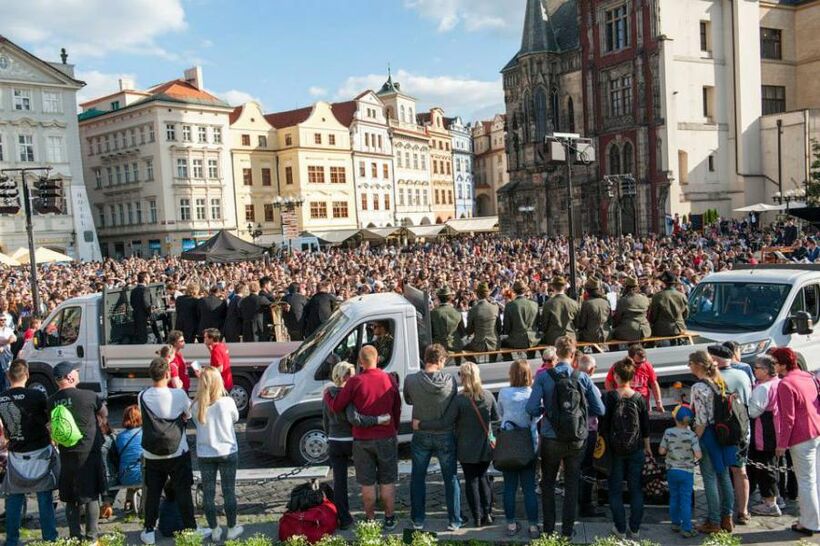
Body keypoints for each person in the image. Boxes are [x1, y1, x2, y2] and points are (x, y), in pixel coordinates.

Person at [526, 336, 605, 538]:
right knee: (571, 484)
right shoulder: (582, 377)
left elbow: (531, 408)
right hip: (577, 438)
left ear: (557, 353)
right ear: (573, 354)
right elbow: (600, 409)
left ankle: (549, 530)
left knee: (548, 484)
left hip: (551, 437)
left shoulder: (544, 377)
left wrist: (548, 411)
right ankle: (567, 531)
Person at [324, 346, 401, 530]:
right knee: (387, 480)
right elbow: (397, 407)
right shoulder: (389, 379)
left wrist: (327, 396)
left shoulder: (355, 382)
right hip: (386, 436)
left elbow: (337, 406)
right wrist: (394, 428)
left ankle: (370, 519)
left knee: (367, 483)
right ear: (377, 359)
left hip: (362, 440)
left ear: (360, 362)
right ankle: (389, 518)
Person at [414, 362, 498, 529]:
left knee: (471, 480)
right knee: (483, 478)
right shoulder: (488, 396)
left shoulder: (460, 400)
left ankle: (477, 517)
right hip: (485, 447)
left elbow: (445, 422)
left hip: (466, 448)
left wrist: (421, 424)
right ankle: (487, 513)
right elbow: (495, 418)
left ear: (463, 378)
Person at [139, 357, 202, 545]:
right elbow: (189, 415)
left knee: (153, 492)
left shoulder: (142, 395)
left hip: (152, 453)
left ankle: (149, 529)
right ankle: (191, 527)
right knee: (183, 490)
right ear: (167, 374)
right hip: (177, 450)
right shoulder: (179, 395)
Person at [0, 359, 58, 546]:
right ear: (27, 375)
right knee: (44, 496)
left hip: (16, 452)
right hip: (40, 450)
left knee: (14, 498)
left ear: (9, 377)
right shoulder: (37, 396)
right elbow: (50, 421)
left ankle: (12, 540)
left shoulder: (1, 398)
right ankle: (49, 538)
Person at [404, 344, 461, 531]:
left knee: (418, 477)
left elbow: (409, 399)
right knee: (450, 478)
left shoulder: (411, 380)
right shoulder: (451, 381)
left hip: (421, 434)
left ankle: (418, 519)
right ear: (441, 360)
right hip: (445, 434)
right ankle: (454, 520)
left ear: (425, 358)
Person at [50, 360, 107, 543]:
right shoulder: (89, 396)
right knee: (90, 496)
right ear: (69, 377)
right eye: (75, 371)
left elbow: (50, 426)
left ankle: (74, 536)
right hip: (89, 452)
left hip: (66, 453)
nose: (77, 373)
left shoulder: (51, 401)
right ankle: (91, 538)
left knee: (70, 498)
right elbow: (104, 413)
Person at [599, 357, 652, 539]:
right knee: (636, 488)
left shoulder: (610, 396)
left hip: (614, 449)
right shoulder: (639, 398)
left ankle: (620, 529)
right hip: (635, 447)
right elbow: (645, 426)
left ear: (616, 375)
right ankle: (635, 529)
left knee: (615, 489)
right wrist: (646, 446)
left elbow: (604, 425)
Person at [191, 367, 243, 541]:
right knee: (229, 491)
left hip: (205, 453)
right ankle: (232, 527)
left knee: (208, 494)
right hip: (227, 450)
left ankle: (214, 529)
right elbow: (235, 418)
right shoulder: (227, 402)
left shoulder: (196, 405)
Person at [772, 347, 820, 536]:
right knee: (816, 478)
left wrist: (781, 444)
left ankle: (810, 523)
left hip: (801, 437)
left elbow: (788, 418)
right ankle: (814, 519)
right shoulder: (808, 376)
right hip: (816, 430)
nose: (773, 366)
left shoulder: (785, 384)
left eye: (774, 363)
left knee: (806, 481)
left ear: (783, 365)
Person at [688, 350, 735, 534]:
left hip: (708, 435)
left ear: (698, 364)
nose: (689, 366)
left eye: (690, 363)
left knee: (708, 478)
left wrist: (694, 441)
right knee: (724, 476)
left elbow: (701, 419)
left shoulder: (698, 388)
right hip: (723, 433)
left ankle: (713, 521)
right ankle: (727, 517)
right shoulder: (720, 381)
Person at [709, 344, 752, 525]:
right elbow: (748, 400)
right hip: (741, 430)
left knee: (720, 472)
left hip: (719, 431)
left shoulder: (712, 379)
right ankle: (743, 511)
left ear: (716, 360)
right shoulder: (742, 375)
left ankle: (722, 512)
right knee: (740, 470)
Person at [498, 359, 539, 538]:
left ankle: (511, 525)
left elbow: (501, 414)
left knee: (509, 487)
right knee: (529, 488)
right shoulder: (532, 393)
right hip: (527, 443)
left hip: (508, 444)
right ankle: (533, 526)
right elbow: (536, 421)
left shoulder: (503, 393)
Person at [658, 404, 701, 538]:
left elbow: (661, 451)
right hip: (687, 472)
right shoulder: (692, 435)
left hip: (672, 470)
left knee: (674, 497)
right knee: (686, 500)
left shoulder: (668, 432)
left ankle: (675, 523)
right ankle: (687, 527)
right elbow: (699, 455)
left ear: (675, 419)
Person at [747, 354, 782, 517]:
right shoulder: (777, 382)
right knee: (772, 465)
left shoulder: (762, 388)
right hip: (776, 430)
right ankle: (775, 497)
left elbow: (753, 412)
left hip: (763, 432)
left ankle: (770, 503)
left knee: (764, 467)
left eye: (757, 368)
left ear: (766, 370)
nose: (754, 370)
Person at [575, 354, 603, 518]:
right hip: (588, 431)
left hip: (571, 431)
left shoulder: (570, 381)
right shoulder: (592, 386)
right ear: (591, 370)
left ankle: (573, 502)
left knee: (574, 468)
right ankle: (585, 505)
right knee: (588, 469)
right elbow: (600, 410)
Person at [604, 345, 664, 412]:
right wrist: (615, 398)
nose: (640, 365)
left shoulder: (647, 366)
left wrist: (659, 403)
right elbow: (608, 383)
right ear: (630, 358)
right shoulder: (620, 367)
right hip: (624, 403)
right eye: (637, 363)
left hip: (643, 403)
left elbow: (654, 383)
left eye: (643, 362)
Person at [116, 404, 144, 513]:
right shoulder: (145, 433)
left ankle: (129, 501)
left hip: (125, 476)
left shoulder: (120, 436)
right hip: (143, 475)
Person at [539, 276, 579, 346]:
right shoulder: (573, 303)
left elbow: (544, 325)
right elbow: (577, 323)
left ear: (552, 287)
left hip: (553, 338)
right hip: (571, 336)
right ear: (564, 287)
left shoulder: (548, 303)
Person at [501, 280, 539, 353]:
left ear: (514, 291)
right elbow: (537, 323)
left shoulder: (509, 305)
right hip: (533, 339)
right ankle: (530, 357)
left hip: (516, 340)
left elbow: (507, 328)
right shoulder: (534, 304)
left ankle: (509, 360)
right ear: (525, 291)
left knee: (501, 345)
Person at [648, 271, 688, 339]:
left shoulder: (658, 296)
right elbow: (686, 314)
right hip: (679, 328)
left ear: (663, 283)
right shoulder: (682, 296)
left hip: (661, 330)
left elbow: (653, 316)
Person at [465, 283, 502, 354]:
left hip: (479, 345)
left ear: (477, 294)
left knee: (463, 348)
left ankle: (475, 363)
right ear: (488, 294)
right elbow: (499, 328)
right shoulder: (495, 307)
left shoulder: (474, 309)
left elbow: (469, 330)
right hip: (495, 344)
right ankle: (492, 361)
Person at [611, 276, 651, 342]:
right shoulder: (645, 298)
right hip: (645, 331)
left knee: (611, 334)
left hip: (627, 332)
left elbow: (617, 319)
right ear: (637, 287)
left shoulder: (623, 301)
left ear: (626, 287)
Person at [430, 287, 466, 355]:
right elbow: (462, 333)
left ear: (438, 298)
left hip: (439, 348)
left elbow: (430, 333)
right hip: (456, 346)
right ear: (450, 299)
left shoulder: (433, 313)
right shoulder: (457, 312)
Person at [576, 278, 611, 345]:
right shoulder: (606, 302)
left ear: (587, 291)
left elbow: (582, 324)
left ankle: (580, 354)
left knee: (577, 335)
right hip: (606, 335)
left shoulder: (587, 303)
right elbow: (610, 321)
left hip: (590, 336)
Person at [99, 413, 118, 519]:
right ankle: (108, 502)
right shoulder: (110, 439)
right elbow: (116, 459)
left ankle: (106, 503)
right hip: (109, 478)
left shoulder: (87, 440)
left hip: (93, 479)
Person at [204, 328, 233, 393]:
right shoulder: (222, 346)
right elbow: (217, 357)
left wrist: (207, 374)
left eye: (205, 337)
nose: (204, 339)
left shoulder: (216, 350)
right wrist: (209, 349)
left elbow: (220, 368)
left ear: (211, 339)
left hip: (221, 385)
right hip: (227, 382)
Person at [131, 271, 154, 344]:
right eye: (149, 277)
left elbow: (132, 303)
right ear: (145, 278)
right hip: (144, 316)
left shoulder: (133, 290)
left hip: (136, 315)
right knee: (144, 339)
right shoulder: (145, 289)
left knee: (139, 338)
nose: (150, 279)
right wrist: (150, 314)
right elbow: (146, 303)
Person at [0, 315, 16, 392]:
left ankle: (7, 392)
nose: (3, 321)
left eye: (4, 320)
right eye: (1, 320)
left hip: (7, 355)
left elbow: (14, 338)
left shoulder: (8, 329)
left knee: (7, 374)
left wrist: (5, 342)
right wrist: (8, 340)